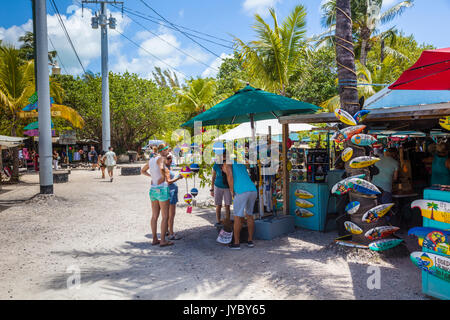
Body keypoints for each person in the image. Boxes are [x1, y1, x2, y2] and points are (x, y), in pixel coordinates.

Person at [141, 143, 173, 247]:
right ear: (163, 150)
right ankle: (163, 240)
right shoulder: (161, 159)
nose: (168, 152)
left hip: (153, 189)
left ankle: (155, 239)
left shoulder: (151, 160)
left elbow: (142, 170)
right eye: (167, 150)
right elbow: (162, 168)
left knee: (154, 216)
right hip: (162, 189)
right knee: (165, 216)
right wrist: (163, 177)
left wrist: (152, 177)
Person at [223, 161, 257, 250]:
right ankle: (250, 241)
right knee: (249, 215)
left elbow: (230, 176)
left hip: (241, 191)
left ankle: (236, 243)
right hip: (253, 189)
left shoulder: (227, 164)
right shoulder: (240, 163)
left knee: (237, 216)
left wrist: (231, 191)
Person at [164, 153, 183, 241]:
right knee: (171, 214)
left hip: (170, 191)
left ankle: (167, 231)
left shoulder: (168, 167)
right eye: (168, 158)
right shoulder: (165, 168)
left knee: (168, 214)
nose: (170, 160)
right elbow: (168, 181)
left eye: (171, 158)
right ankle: (171, 234)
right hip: (170, 192)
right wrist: (178, 178)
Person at [211, 155, 232, 226]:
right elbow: (213, 177)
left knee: (227, 205)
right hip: (218, 186)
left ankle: (228, 220)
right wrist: (212, 189)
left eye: (225, 155)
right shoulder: (216, 164)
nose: (223, 157)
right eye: (222, 155)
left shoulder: (230, 163)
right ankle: (218, 221)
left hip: (227, 187)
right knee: (218, 205)